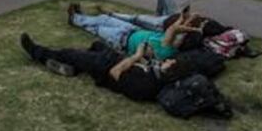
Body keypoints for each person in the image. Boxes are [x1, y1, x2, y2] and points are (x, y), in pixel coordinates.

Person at [19, 33, 170, 103]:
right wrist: (146, 55)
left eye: (171, 63)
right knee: (97, 44)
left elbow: (115, 73)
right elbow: (140, 65)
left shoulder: (146, 86)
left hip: (104, 67)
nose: (169, 60)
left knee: (68, 53)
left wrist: (137, 56)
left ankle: (35, 52)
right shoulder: (157, 72)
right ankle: (75, 68)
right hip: (114, 57)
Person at [67, 2, 200, 62]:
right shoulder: (172, 41)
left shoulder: (167, 49)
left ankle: (75, 18)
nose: (181, 35)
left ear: (181, 43)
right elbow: (177, 29)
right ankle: (80, 18)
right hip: (131, 30)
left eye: (182, 37)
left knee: (97, 28)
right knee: (104, 18)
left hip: (121, 40)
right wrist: (188, 18)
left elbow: (174, 29)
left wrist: (191, 26)